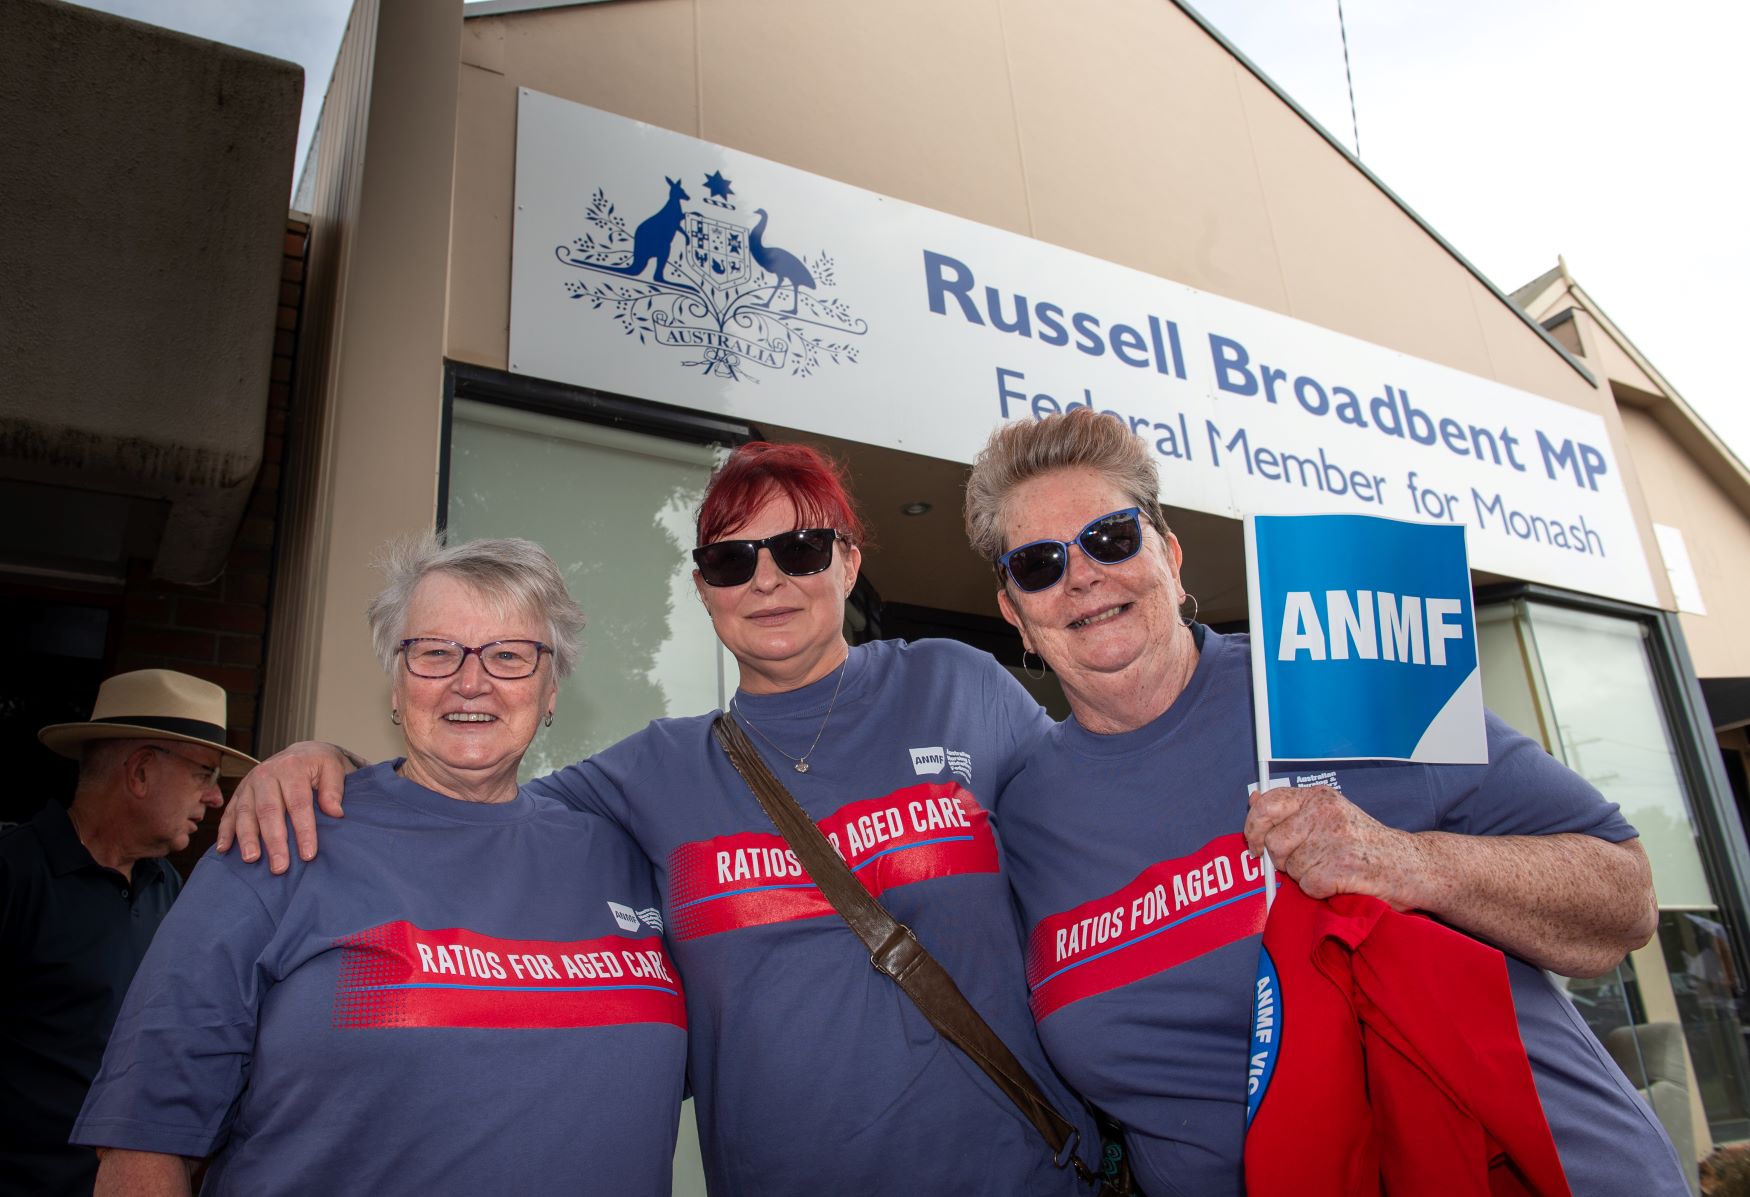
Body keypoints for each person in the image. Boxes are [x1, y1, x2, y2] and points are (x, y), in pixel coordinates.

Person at [217, 444, 1097, 1195]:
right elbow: (467, 801)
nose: (766, 579)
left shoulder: (958, 686)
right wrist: (328, 761)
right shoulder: (653, 770)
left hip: (1022, 1171)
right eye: (731, 560)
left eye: (798, 548)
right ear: (703, 589)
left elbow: (1091, 840)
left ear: (849, 562)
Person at [961, 408, 1689, 1196]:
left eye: (1110, 537)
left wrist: (1414, 860)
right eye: (1037, 563)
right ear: (1015, 614)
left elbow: (1625, 899)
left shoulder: (1332, 674)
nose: (1081, 575)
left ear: (1169, 555)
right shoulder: (1025, 808)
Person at [70, 537, 687, 1195]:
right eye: (434, 652)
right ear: (396, 685)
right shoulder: (285, 837)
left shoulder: (625, 854)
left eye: (509, 654)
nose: (469, 680)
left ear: (551, 688)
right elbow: (143, 1141)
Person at [0, 668, 255, 1196]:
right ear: (140, 771)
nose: (215, 799)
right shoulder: (14, 870)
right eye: (205, 773)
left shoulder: (168, 886)